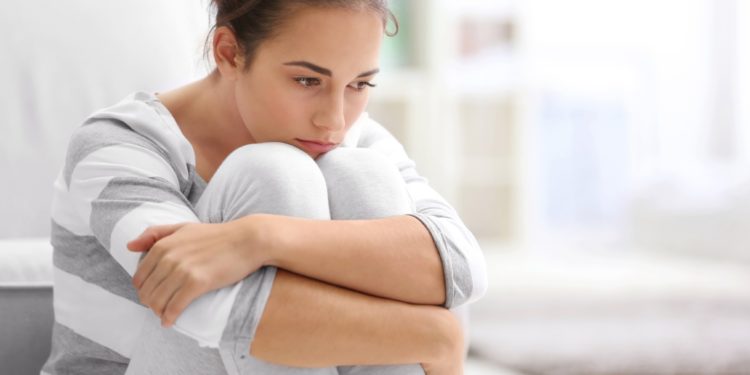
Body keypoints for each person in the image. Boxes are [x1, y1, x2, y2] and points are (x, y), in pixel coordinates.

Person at [43, 0, 487, 374]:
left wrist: (259, 238)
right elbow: (211, 311)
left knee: (361, 174)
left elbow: (459, 267)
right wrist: (434, 335)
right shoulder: (119, 144)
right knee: (273, 172)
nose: (333, 119)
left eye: (359, 84)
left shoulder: (355, 138)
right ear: (229, 52)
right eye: (307, 80)